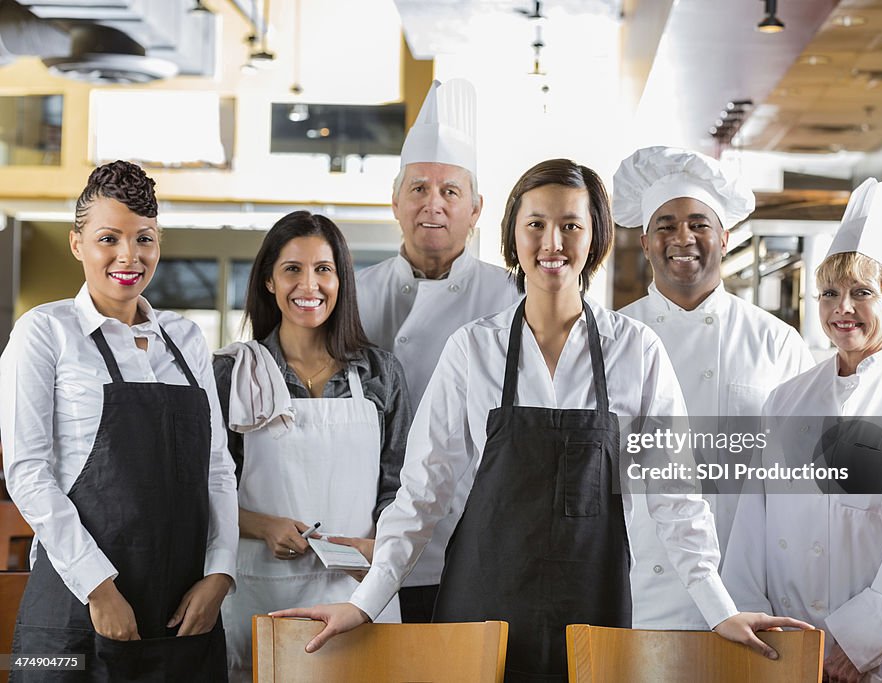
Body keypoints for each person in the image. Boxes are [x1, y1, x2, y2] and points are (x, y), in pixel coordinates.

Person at [274, 159, 809, 682]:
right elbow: (422, 493)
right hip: (482, 604)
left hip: (593, 604)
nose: (553, 243)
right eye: (536, 225)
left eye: (571, 225)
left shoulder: (636, 350)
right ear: (513, 236)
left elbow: (676, 496)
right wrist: (366, 603)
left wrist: (719, 609)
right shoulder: (473, 349)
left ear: (595, 237)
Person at [722, 178, 882, 683]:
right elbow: (751, 523)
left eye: (862, 293)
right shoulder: (786, 401)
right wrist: (753, 623)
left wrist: (855, 646)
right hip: (784, 653)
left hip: (878, 660)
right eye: (830, 293)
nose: (843, 308)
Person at [0, 160, 237, 681]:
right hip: (74, 603)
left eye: (144, 239)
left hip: (184, 608)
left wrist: (220, 574)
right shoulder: (45, 332)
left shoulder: (187, 338)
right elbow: (28, 473)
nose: (128, 256)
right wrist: (98, 588)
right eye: (109, 238)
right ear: (77, 244)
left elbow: (217, 469)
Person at [614, 147, 813, 629]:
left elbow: (802, 479)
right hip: (636, 588)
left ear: (724, 238)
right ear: (645, 242)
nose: (683, 237)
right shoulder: (609, 338)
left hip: (743, 589)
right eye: (665, 225)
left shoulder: (776, 342)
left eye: (699, 224)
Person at [212, 211, 410, 681]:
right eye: (292, 269)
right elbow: (207, 488)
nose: (309, 285)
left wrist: (377, 546)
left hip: (358, 591)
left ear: (342, 280)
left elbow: (400, 487)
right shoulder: (234, 374)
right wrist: (264, 526)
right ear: (268, 281)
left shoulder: (380, 374)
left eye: (324, 269)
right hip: (262, 591)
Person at [354, 78, 520, 622]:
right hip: (364, 537)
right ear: (395, 201)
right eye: (419, 188)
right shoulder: (351, 295)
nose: (434, 204)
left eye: (451, 191)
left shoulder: (512, 297)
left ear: (476, 209)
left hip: (477, 532)